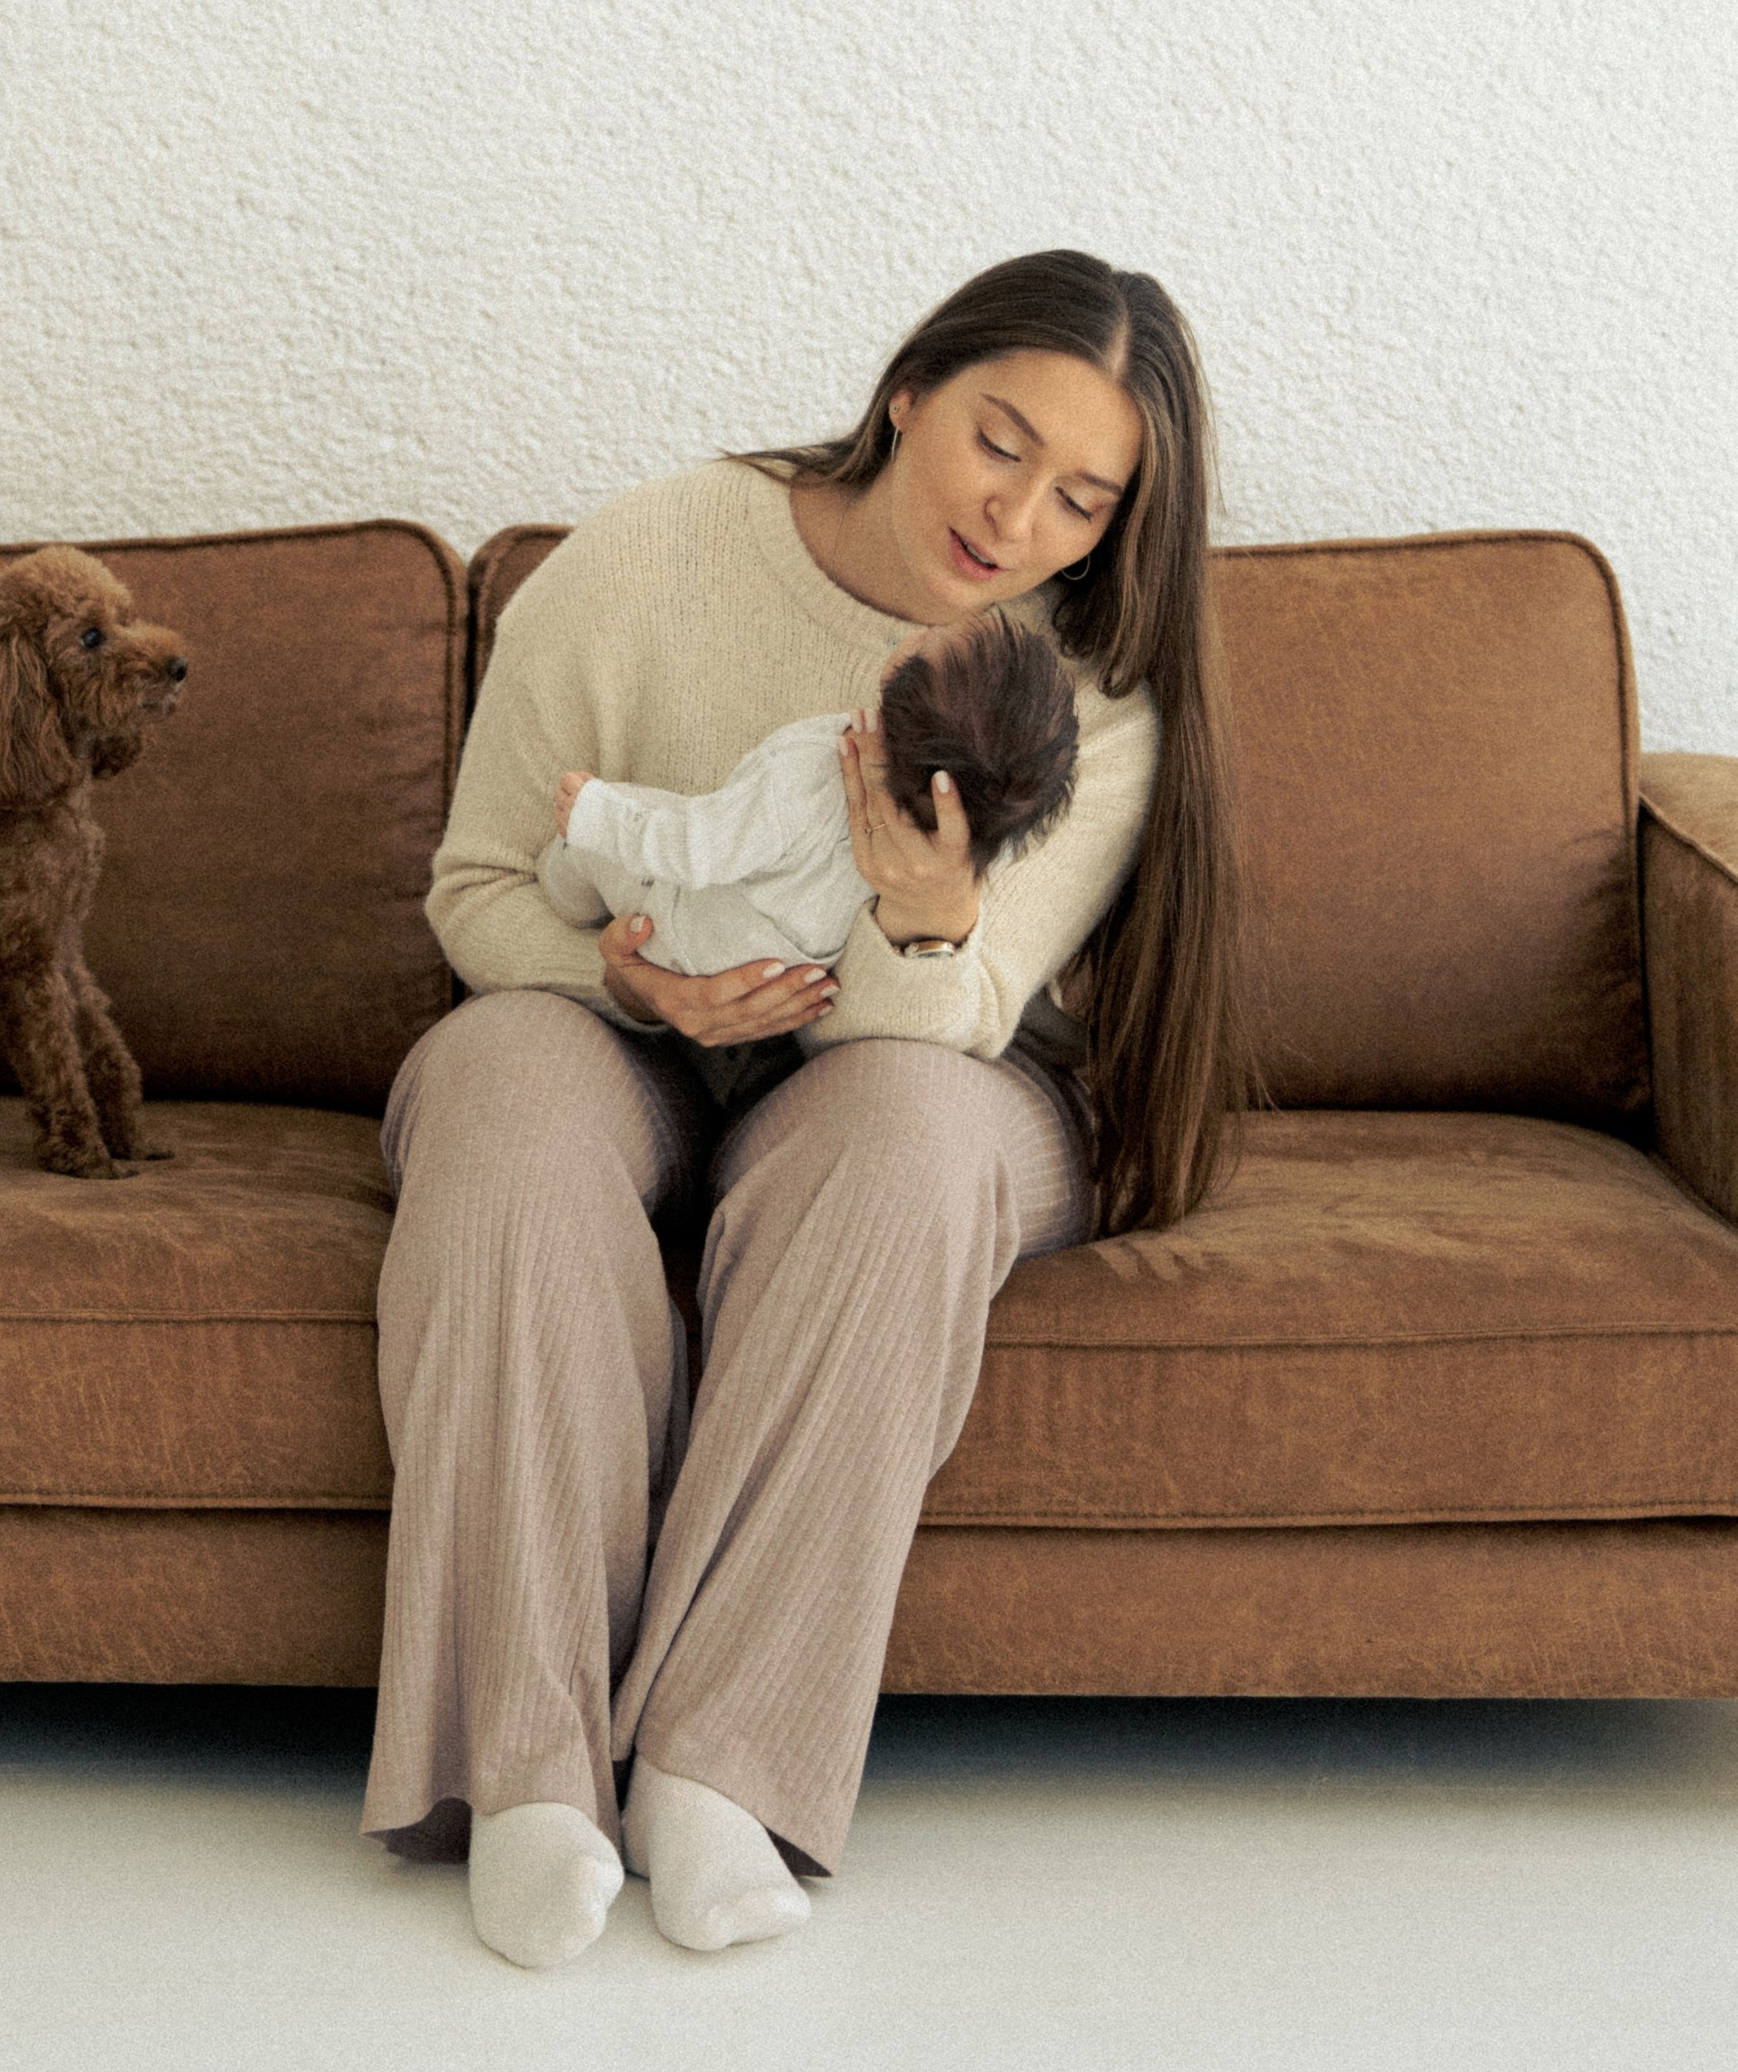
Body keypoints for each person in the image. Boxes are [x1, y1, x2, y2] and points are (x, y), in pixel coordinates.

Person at [361, 250, 1249, 1968]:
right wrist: (632, 982)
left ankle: (723, 1767)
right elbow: (477, 892)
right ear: (910, 388)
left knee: (902, 1139)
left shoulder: (1087, 690)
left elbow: (966, 1017)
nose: (1023, 519)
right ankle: (529, 1774)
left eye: (1084, 496)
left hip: (929, 1069)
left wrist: (924, 912)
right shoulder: (655, 557)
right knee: (499, 1107)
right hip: (615, 1026)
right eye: (1001, 441)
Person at [537, 604, 1082, 983]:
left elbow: (696, 849)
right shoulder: (979, 840)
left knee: (606, 829)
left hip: (692, 941)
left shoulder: (810, 774)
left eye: (931, 637)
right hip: (801, 966)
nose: (919, 630)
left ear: (900, 676)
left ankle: (563, 892)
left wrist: (596, 814)